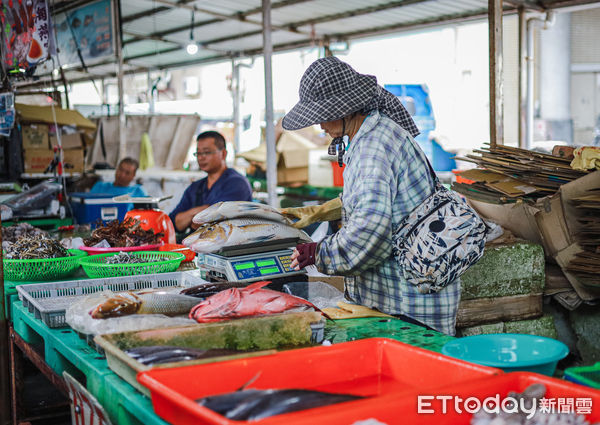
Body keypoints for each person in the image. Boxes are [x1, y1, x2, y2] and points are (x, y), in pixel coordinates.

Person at [281, 57, 460, 336]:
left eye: (322, 115)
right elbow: (379, 200)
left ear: (344, 109)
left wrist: (317, 253)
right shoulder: (377, 132)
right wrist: (320, 211)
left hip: (408, 306)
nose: (320, 126)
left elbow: (369, 234)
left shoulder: (372, 148)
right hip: (403, 296)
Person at [169, 130, 252, 232]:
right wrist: (197, 212)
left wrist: (190, 216)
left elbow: (216, 218)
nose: (201, 157)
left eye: (207, 152)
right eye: (198, 153)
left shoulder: (237, 183)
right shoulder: (195, 187)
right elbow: (173, 222)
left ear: (223, 154)